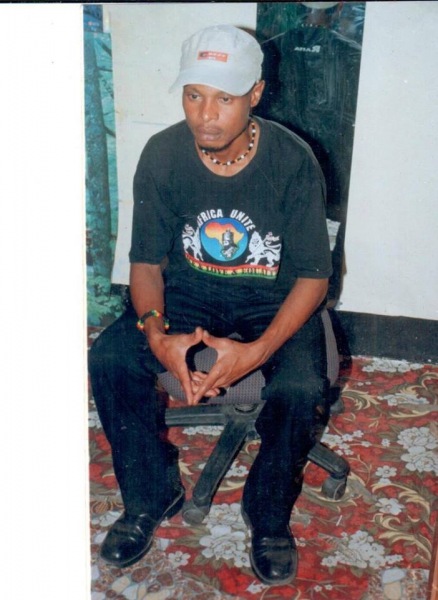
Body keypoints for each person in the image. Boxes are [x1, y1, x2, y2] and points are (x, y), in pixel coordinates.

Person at [89, 24, 333, 585]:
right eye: (194, 95)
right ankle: (151, 495)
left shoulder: (293, 162)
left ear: (256, 93)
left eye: (225, 98)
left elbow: (314, 277)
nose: (206, 115)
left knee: (301, 388)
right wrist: (156, 334)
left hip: (273, 300)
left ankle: (268, 514)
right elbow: (146, 263)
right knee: (111, 358)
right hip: (188, 294)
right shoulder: (163, 153)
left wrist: (258, 351)